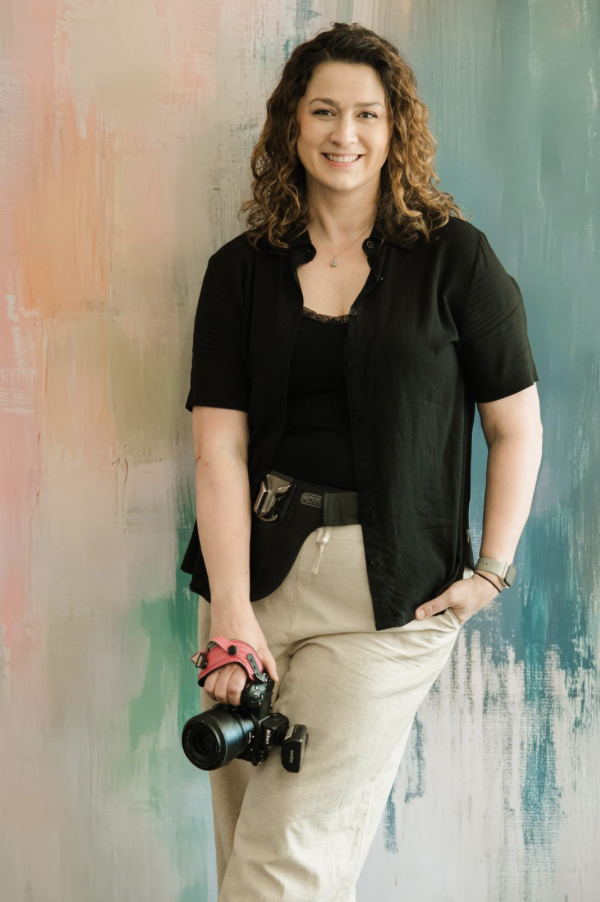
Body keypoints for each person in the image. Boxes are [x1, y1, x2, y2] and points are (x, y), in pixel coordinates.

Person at [181, 21, 543, 901]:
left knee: (282, 865)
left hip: (389, 600)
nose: (346, 134)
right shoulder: (240, 273)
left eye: (368, 114)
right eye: (325, 112)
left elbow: (516, 428)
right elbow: (218, 447)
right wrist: (232, 610)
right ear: (291, 127)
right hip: (252, 585)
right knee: (251, 850)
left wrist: (490, 573)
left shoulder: (456, 259)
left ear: (396, 129)